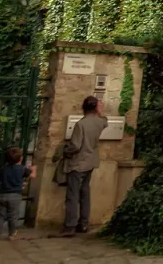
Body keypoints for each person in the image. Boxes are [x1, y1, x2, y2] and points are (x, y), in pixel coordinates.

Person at [60, 95, 107, 237]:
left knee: (73, 195)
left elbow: (75, 145)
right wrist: (100, 111)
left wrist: (65, 151)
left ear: (83, 107)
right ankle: (84, 223)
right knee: (85, 193)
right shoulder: (100, 122)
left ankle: (70, 226)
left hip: (78, 163)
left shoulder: (81, 124)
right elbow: (105, 121)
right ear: (95, 108)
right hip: (91, 162)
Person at [0, 146, 35, 240]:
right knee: (13, 216)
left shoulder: (3, 169)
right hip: (15, 196)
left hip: (2, 195)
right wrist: (34, 169)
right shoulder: (22, 169)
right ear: (20, 158)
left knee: (0, 215)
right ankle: (12, 234)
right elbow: (33, 176)